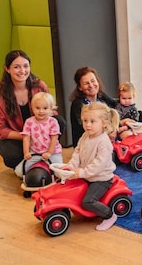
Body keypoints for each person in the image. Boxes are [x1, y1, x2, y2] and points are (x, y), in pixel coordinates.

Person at [0, 50, 65, 171]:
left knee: (59, 122)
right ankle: (25, 166)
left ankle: (47, 156)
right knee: (10, 152)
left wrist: (42, 133)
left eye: (26, 66)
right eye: (16, 67)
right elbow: (0, 130)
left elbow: (52, 112)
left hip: (42, 134)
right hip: (18, 137)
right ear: (7, 69)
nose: (22, 71)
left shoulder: (40, 86)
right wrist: (28, 136)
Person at [63, 102, 120, 231]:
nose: (87, 125)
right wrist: (71, 165)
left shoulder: (104, 142)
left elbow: (98, 165)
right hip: (87, 175)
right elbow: (78, 151)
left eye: (92, 121)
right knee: (66, 184)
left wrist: (82, 172)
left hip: (101, 179)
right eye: (85, 120)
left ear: (104, 123)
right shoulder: (85, 136)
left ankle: (109, 215)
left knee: (87, 201)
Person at [17, 92, 64, 177]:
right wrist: (26, 152)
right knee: (19, 172)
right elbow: (26, 138)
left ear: (51, 109)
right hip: (35, 152)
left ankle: (48, 168)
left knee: (59, 173)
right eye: (37, 108)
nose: (41, 111)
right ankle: (40, 166)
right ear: (32, 108)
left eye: (45, 108)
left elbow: (54, 139)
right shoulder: (29, 122)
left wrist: (49, 152)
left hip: (52, 153)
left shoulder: (53, 122)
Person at [69, 66, 117, 147]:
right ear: (80, 87)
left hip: (105, 135)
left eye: (93, 81)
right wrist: (110, 131)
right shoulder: (78, 104)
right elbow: (87, 128)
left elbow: (116, 105)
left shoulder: (101, 96)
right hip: (88, 142)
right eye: (86, 83)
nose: (91, 85)